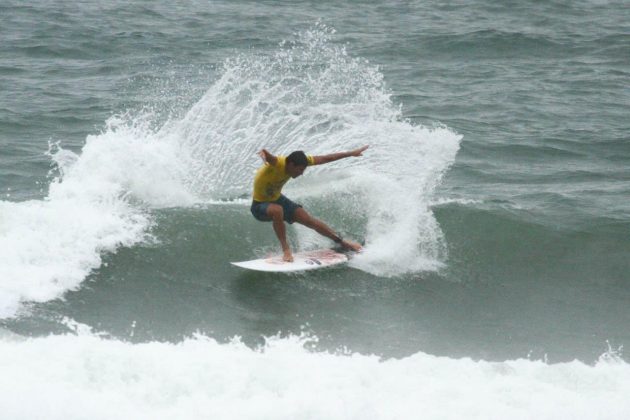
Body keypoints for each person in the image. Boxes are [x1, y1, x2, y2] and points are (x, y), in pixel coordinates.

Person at [250, 145, 369, 262]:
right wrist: (265, 154)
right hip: (259, 205)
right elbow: (271, 159)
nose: (301, 173)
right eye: (300, 169)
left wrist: (351, 153)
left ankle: (341, 242)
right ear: (291, 164)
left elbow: (327, 158)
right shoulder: (278, 163)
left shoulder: (299, 161)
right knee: (277, 210)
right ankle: (286, 250)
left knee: (308, 219)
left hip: (277, 199)